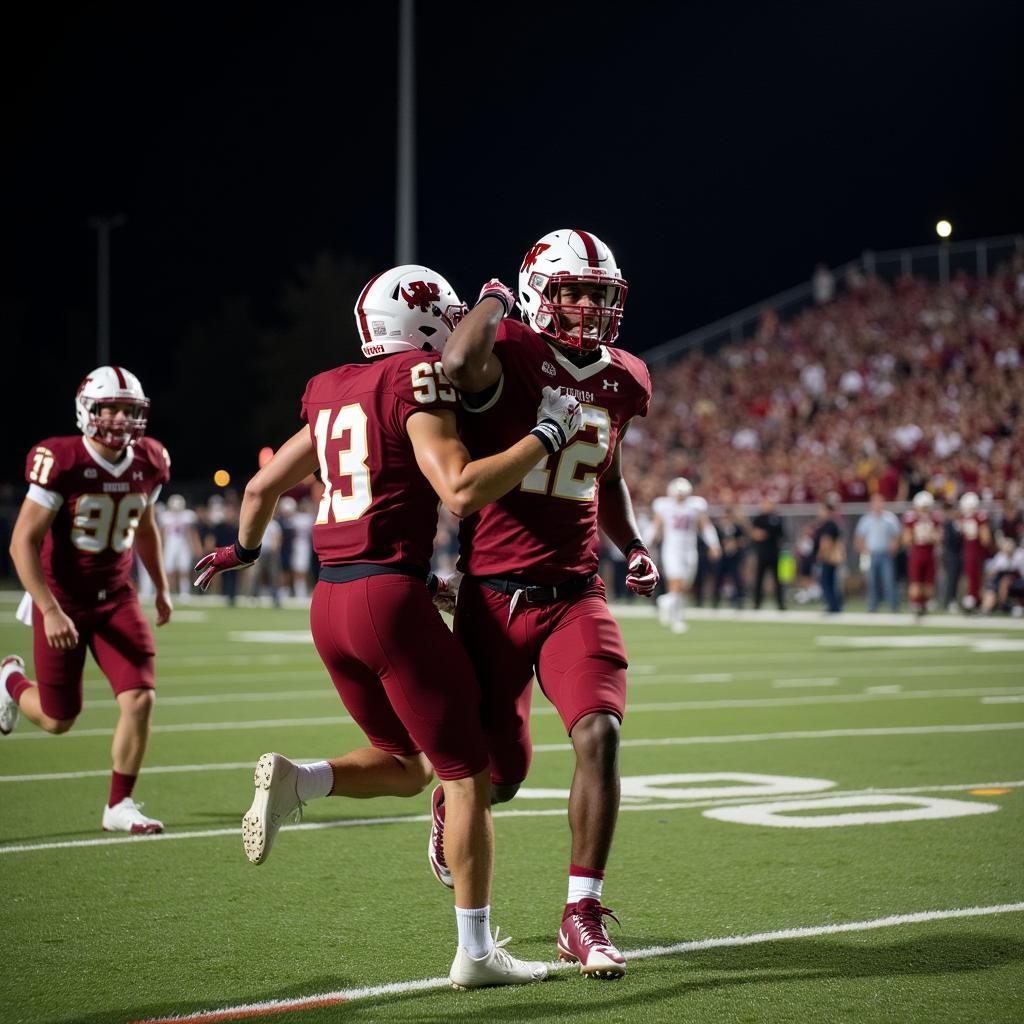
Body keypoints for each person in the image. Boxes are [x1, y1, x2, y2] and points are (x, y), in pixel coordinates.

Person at [194, 264, 581, 989]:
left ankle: (300, 781)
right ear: (431, 321)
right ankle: (475, 952)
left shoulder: (332, 389)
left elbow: (259, 487)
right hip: (384, 604)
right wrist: (547, 434)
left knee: (407, 767)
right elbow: (461, 490)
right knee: (467, 778)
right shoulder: (417, 383)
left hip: (332, 603)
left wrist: (240, 552)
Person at [434, 229, 658, 979]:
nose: (588, 307)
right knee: (500, 777)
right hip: (493, 596)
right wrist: (494, 297)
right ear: (538, 290)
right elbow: (457, 363)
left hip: (574, 592)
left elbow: (609, 474)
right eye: (572, 291)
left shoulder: (626, 377)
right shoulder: (515, 354)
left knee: (600, 733)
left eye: (599, 294)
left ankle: (581, 915)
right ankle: (451, 806)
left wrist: (634, 543)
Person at [1, 366, 173, 833]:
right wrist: (50, 609)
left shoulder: (150, 459)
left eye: (128, 410)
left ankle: (120, 805)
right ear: (87, 411)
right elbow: (22, 542)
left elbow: (145, 526)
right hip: (63, 599)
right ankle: (10, 682)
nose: (119, 419)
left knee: (140, 699)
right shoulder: (62, 459)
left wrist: (160, 586)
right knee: (59, 719)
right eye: (109, 408)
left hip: (116, 596)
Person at [652, 478, 720, 633]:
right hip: (672, 549)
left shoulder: (695, 506)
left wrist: (714, 544)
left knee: (685, 585)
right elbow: (655, 526)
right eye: (679, 494)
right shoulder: (664, 506)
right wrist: (644, 543)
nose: (681, 497)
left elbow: (705, 526)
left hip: (690, 550)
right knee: (677, 581)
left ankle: (667, 603)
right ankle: (675, 617)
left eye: (683, 494)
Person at [854, 492, 901, 612]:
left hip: (886, 554)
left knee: (889, 581)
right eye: (875, 502)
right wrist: (863, 550)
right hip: (871, 554)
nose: (878, 504)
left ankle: (893, 606)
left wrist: (893, 548)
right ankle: (872, 606)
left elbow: (896, 536)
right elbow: (859, 537)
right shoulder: (866, 519)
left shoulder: (890, 518)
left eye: (880, 502)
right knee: (871, 581)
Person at [902, 490, 942, 617]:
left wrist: (929, 536)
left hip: (928, 552)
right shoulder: (912, 519)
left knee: (928, 581)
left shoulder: (934, 519)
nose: (925, 510)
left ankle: (924, 604)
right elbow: (907, 539)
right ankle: (916, 604)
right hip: (917, 552)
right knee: (916, 581)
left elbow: (939, 537)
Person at [957, 492, 992, 611]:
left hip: (977, 552)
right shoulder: (965, 518)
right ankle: (972, 599)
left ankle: (975, 600)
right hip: (968, 551)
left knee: (976, 576)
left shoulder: (978, 517)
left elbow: (985, 539)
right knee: (970, 576)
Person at [158, 493, 200, 595]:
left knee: (184, 569)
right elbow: (162, 534)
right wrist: (160, 547)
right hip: (170, 545)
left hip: (184, 545)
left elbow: (192, 533)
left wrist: (196, 546)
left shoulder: (187, 515)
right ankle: (169, 591)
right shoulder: (165, 517)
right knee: (169, 570)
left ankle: (184, 592)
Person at [750, 495, 786, 610]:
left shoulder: (777, 518)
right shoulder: (758, 518)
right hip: (762, 553)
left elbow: (780, 534)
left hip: (775, 553)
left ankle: (780, 604)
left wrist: (764, 534)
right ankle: (757, 603)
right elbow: (755, 534)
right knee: (759, 579)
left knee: (778, 579)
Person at [712, 505, 748, 609]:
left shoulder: (738, 528)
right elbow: (714, 542)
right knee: (718, 578)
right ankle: (716, 601)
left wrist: (735, 544)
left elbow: (744, 540)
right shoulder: (718, 529)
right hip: (722, 557)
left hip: (735, 557)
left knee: (737, 579)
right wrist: (724, 545)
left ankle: (738, 601)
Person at [813, 498, 844, 613]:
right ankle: (835, 605)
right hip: (830, 558)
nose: (820, 512)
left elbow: (826, 542)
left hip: (828, 558)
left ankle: (833, 606)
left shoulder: (828, 524)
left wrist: (821, 555)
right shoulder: (830, 524)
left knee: (826, 582)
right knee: (831, 582)